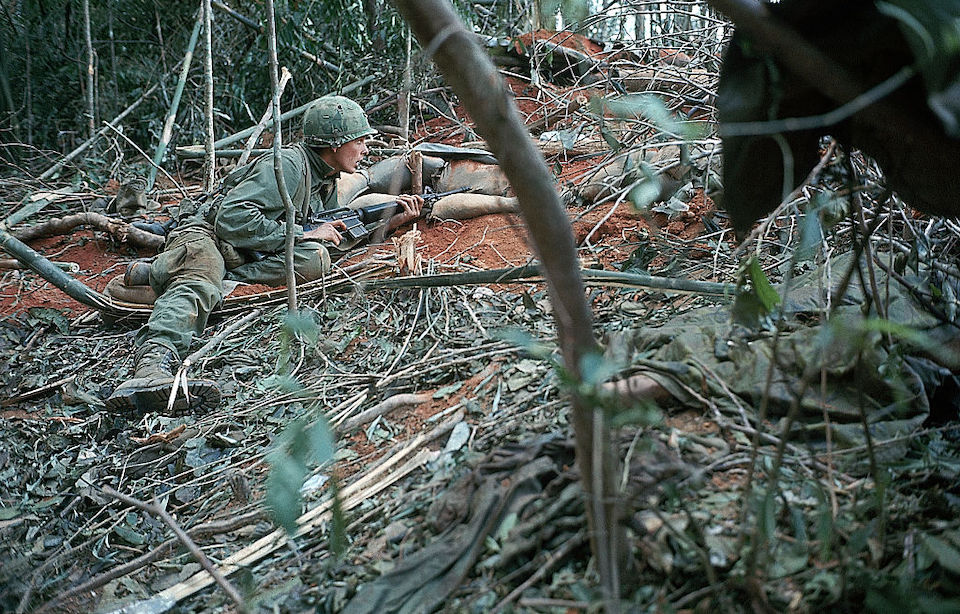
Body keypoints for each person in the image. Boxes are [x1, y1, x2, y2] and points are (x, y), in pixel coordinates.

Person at [106, 95, 423, 414]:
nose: (366, 149)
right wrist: (302, 234)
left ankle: (169, 274)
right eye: (360, 140)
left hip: (246, 249)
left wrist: (391, 224)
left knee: (315, 260)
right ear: (336, 143)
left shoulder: (324, 182)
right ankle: (150, 368)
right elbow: (231, 217)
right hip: (207, 233)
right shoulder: (289, 164)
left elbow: (324, 241)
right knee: (200, 277)